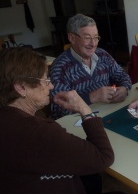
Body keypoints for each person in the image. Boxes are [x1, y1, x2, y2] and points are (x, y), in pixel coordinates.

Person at [0, 47, 115, 194]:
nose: (51, 85)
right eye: (46, 79)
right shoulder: (39, 132)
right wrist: (84, 109)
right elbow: (103, 156)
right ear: (21, 88)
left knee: (91, 178)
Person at [50, 14, 132, 119]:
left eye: (96, 37)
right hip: (80, 123)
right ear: (72, 38)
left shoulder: (102, 55)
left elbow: (122, 75)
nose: (93, 44)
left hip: (106, 114)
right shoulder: (60, 67)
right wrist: (92, 97)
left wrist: (125, 88)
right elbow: (59, 109)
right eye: (87, 38)